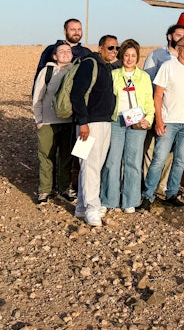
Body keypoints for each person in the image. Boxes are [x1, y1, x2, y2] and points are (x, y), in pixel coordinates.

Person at [140, 37, 184, 210]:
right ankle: (148, 195)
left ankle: (172, 193)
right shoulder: (168, 66)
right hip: (169, 121)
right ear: (179, 48)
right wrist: (159, 120)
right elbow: (158, 95)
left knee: (180, 159)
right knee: (159, 158)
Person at [99, 39, 153, 215]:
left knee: (133, 162)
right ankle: (109, 199)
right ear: (122, 56)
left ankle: (130, 200)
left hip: (137, 122)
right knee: (112, 161)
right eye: (127, 55)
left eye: (133, 56)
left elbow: (148, 103)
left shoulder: (144, 77)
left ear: (137, 57)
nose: (130, 59)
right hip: (117, 121)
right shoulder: (114, 75)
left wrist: (148, 120)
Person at [71, 35, 119, 227]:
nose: (114, 51)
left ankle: (82, 206)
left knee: (93, 165)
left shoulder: (107, 67)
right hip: (89, 124)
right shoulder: (90, 64)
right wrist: (83, 122)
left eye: (117, 48)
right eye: (110, 48)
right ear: (100, 48)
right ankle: (92, 207)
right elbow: (77, 94)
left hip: (104, 122)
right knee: (89, 164)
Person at [141, 24, 184, 182]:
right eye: (178, 35)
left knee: (171, 153)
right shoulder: (156, 56)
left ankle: (163, 186)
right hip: (159, 110)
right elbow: (147, 84)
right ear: (169, 37)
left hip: (179, 115)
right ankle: (148, 186)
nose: (181, 38)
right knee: (153, 151)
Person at [31, 43, 75, 204]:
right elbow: (38, 97)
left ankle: (64, 188)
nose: (65, 54)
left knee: (66, 157)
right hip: (48, 122)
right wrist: (39, 120)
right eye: (61, 51)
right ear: (54, 56)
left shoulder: (75, 71)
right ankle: (45, 190)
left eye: (68, 51)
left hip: (69, 122)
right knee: (46, 157)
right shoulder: (47, 72)